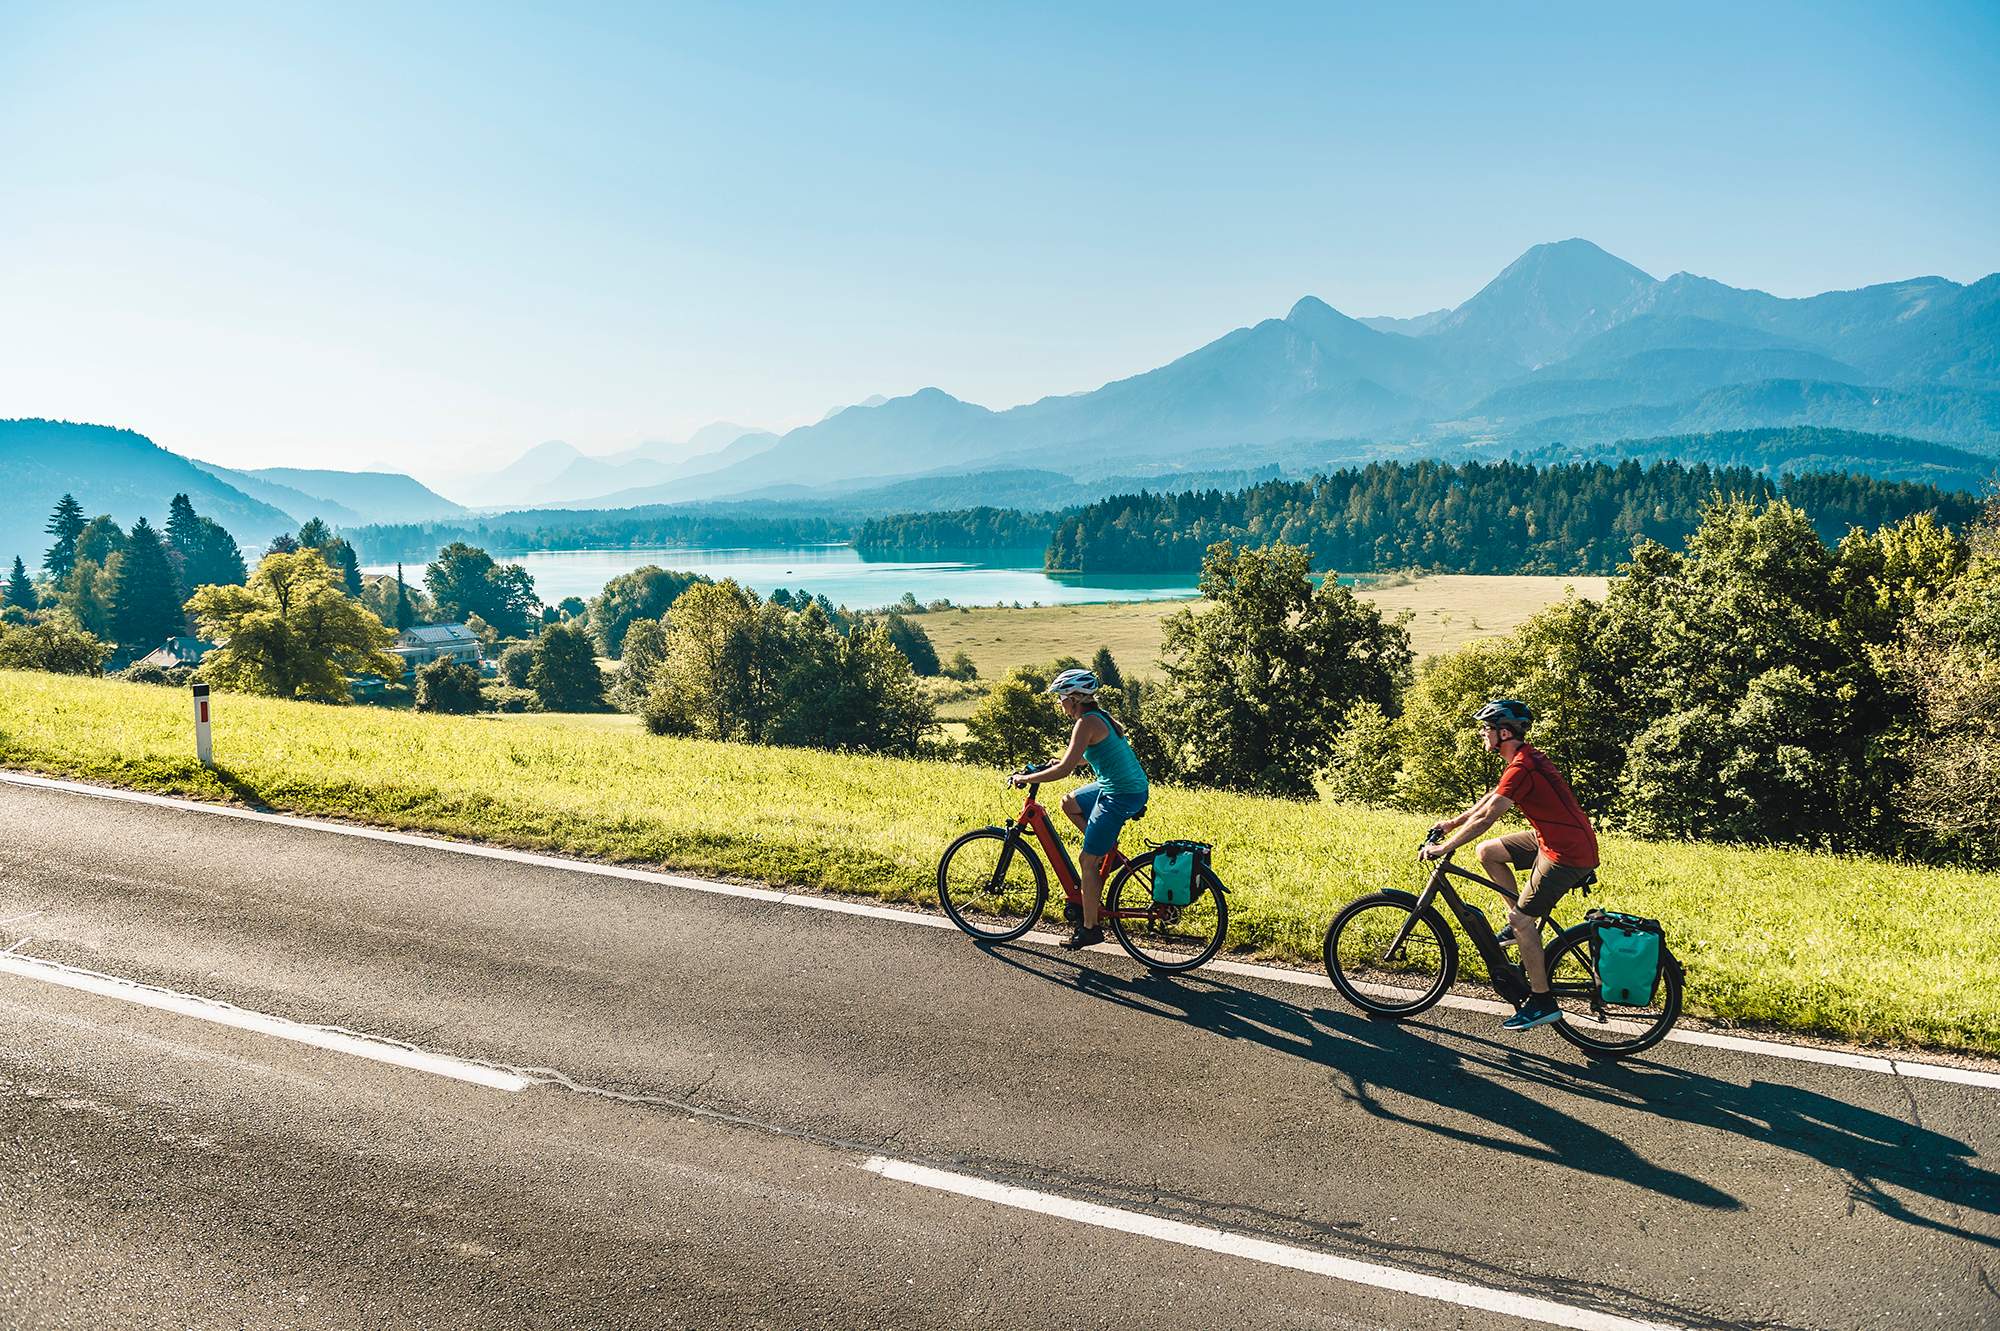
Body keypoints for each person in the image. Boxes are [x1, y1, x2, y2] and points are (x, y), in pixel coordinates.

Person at [1420, 699, 1599, 1031]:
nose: (1482, 735)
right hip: (1550, 839)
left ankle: (1542, 1001)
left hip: (1567, 854)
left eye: (1486, 729)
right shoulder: (1520, 760)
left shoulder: (1522, 767)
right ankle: (1520, 929)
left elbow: (1489, 816)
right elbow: (1492, 797)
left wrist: (1445, 847)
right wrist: (1452, 823)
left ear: (1503, 733)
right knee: (1488, 852)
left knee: (1520, 919)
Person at [1009, 667, 1149, 949]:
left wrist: (1025, 778)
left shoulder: (1086, 722)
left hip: (1121, 793)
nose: (1059, 704)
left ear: (1074, 698)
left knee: (1086, 861)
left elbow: (1065, 770)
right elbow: (1088, 756)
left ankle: (1090, 929)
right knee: (1069, 803)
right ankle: (1103, 849)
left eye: (1061, 698)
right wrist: (1058, 761)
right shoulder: (1099, 718)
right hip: (1121, 786)